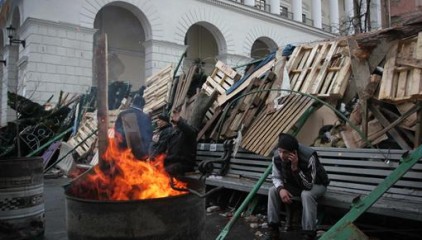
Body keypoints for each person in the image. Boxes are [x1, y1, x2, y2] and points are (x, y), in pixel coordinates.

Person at [266, 133, 329, 240]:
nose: (281, 155)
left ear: (294, 152)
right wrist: (281, 189)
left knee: (306, 194)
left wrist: (295, 168)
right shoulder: (277, 157)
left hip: (317, 185)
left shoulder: (309, 156)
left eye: (285, 152)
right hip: (295, 185)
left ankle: (308, 233)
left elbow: (309, 185)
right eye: (280, 151)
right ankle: (273, 229)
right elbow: (276, 177)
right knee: (273, 190)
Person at [114, 95, 152, 160]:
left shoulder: (123, 113)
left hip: (123, 151)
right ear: (141, 105)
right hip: (138, 153)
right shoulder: (145, 117)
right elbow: (148, 136)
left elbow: (116, 132)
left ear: (133, 102)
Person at [164, 109, 198, 176]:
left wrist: (179, 121)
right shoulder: (173, 134)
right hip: (173, 162)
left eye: (175, 122)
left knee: (165, 171)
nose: (174, 124)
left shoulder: (189, 131)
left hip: (184, 164)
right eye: (173, 122)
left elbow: (190, 132)